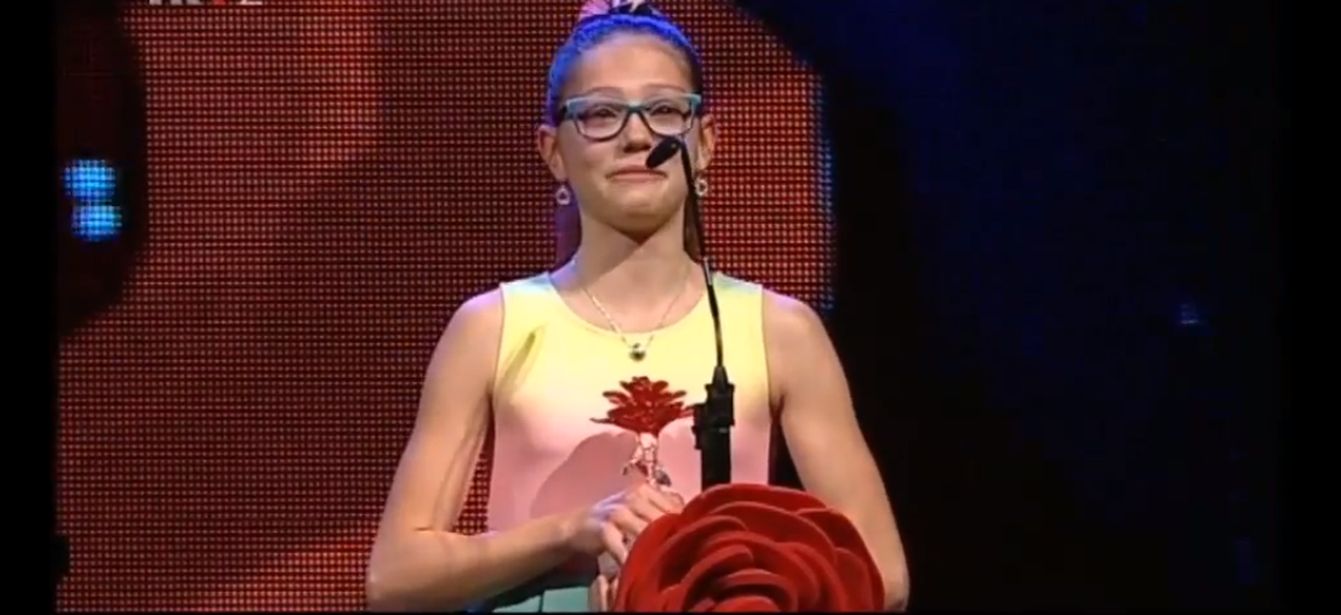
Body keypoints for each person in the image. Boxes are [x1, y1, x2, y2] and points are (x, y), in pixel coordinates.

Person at [365, 0, 910, 611]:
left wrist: (720, 575)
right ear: (553, 151)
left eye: (664, 110)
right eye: (600, 113)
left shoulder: (780, 331)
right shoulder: (492, 326)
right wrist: (572, 531)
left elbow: (882, 575)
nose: (637, 136)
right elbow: (395, 578)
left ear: (704, 143)